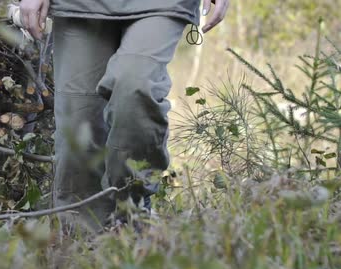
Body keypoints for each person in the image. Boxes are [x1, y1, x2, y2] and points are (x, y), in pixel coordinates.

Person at [20, 0, 230, 234]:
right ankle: (82, 249)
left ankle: (131, 219)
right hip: (78, 6)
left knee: (136, 88)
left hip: (160, 5)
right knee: (79, 131)